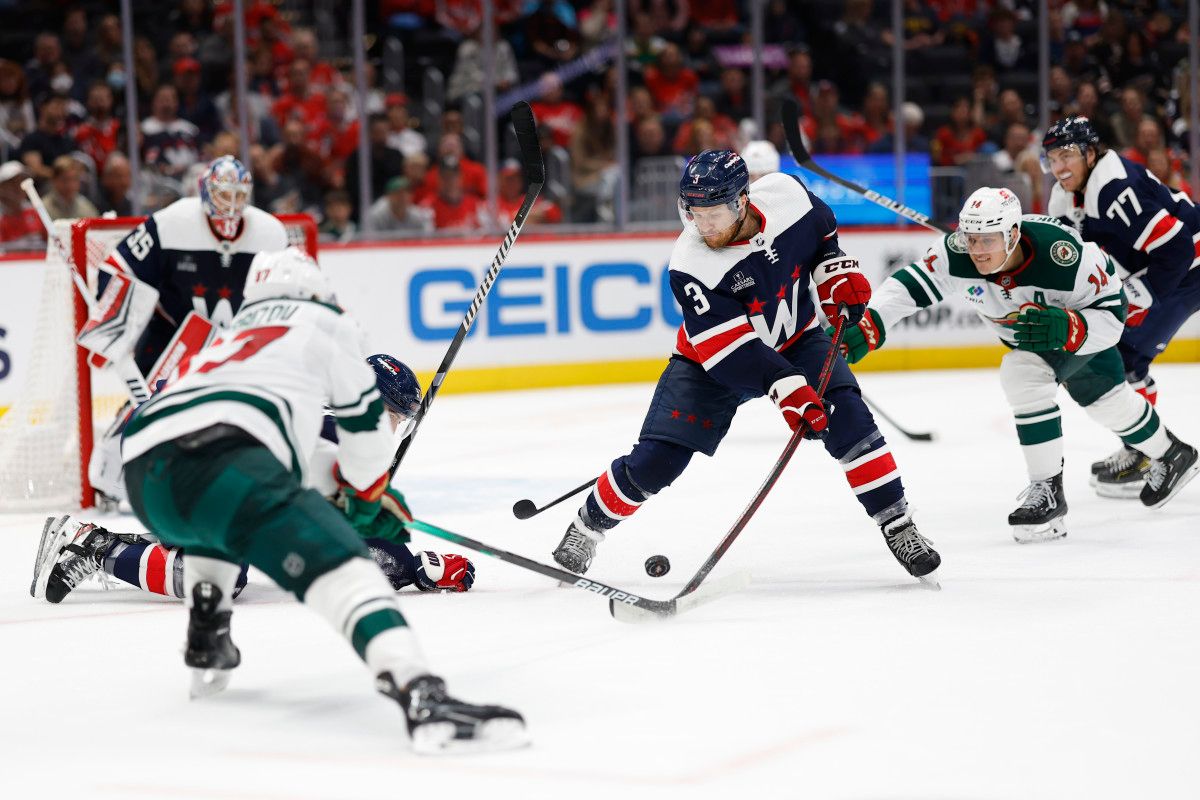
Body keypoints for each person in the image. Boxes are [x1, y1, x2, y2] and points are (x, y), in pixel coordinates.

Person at [60, 248, 524, 752]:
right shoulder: (327, 326)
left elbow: (297, 461)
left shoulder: (236, 335)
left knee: (229, 532)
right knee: (344, 572)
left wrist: (355, 498)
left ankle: (207, 626)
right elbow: (363, 459)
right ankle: (418, 688)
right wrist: (374, 502)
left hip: (145, 467)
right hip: (225, 458)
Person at [551, 149, 940, 584]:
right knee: (658, 461)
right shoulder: (690, 264)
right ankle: (586, 527)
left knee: (850, 420)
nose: (704, 225)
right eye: (694, 212)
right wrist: (787, 388)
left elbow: (823, 237)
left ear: (742, 201)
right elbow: (732, 352)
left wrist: (832, 271)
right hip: (710, 363)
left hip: (798, 340)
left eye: (714, 212)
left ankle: (898, 523)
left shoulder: (788, 196)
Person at [839, 187, 1197, 542]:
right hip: (1044, 337)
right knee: (1107, 401)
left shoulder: (1062, 255)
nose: (976, 250)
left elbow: (1113, 315)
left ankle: (1048, 491)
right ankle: (1173, 453)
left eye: (987, 240)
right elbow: (909, 286)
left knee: (1022, 374)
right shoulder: (957, 254)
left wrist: (1072, 327)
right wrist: (873, 322)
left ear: (1013, 235)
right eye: (971, 238)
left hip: (1083, 326)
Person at [32, 354, 476, 604]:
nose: (395, 429)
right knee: (220, 578)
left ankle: (94, 541)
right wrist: (414, 565)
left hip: (172, 443)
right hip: (175, 450)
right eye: (394, 416)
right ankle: (94, 546)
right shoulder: (330, 430)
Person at [77, 156, 289, 508]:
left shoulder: (271, 234)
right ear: (206, 192)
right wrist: (117, 325)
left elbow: (292, 290)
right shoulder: (173, 222)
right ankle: (110, 474)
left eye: (239, 196)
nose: (231, 205)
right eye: (224, 195)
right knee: (152, 409)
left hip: (238, 345)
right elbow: (117, 269)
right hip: (173, 338)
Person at [1042, 116, 1200, 496]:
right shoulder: (1065, 195)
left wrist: (1143, 295)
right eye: (1052, 158)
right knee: (1122, 352)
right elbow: (1064, 254)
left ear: (1091, 154)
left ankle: (1150, 455)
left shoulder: (1115, 189)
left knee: (1125, 352)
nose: (1059, 167)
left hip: (1188, 266)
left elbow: (1177, 247)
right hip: (1163, 264)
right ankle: (1145, 449)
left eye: (1067, 155)